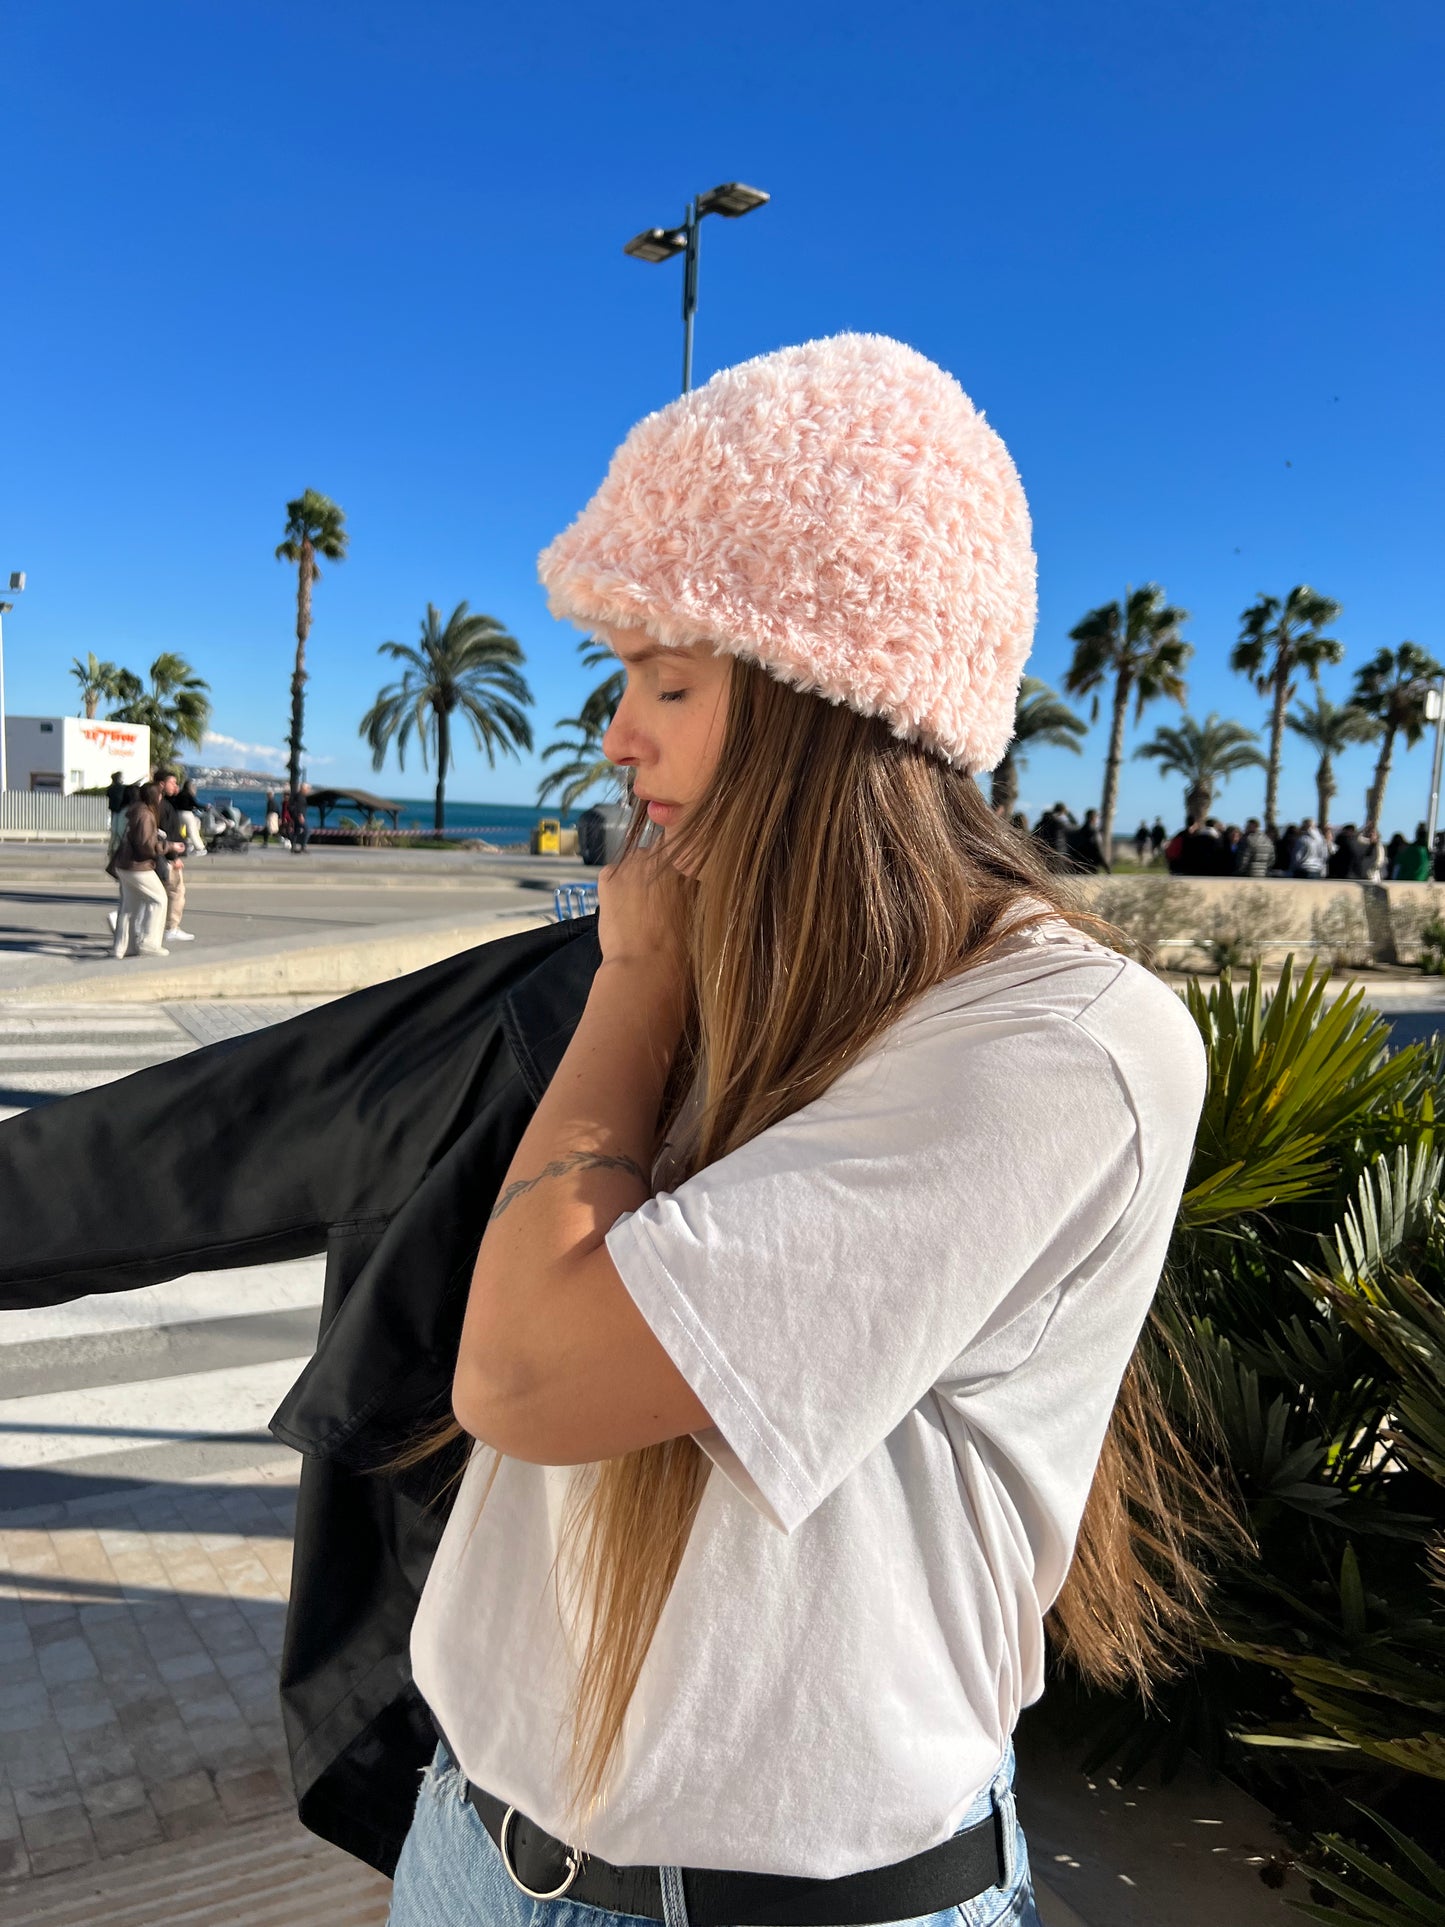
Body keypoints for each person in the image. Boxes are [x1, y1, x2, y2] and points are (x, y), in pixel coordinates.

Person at [382, 336, 1209, 1927]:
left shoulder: (1055, 1042)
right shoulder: (744, 969)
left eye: (672, 681)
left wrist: (629, 985)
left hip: (802, 1897)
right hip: (477, 1842)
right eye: (623, 678)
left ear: (837, 708)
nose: (618, 737)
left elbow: (528, 1373)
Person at [110, 782, 171, 959]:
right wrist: (169, 846)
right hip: (138, 866)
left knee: (129, 908)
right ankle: (149, 943)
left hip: (124, 864)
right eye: (160, 794)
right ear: (154, 796)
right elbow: (146, 846)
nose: (161, 798)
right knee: (159, 899)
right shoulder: (146, 814)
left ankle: (123, 948)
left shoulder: (134, 810)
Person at [153, 767, 196, 942]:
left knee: (155, 894)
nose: (176, 786)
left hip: (158, 855)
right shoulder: (163, 807)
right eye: (172, 782)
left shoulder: (156, 804)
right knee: (176, 891)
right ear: (162, 784)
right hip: (166, 856)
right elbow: (166, 833)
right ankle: (172, 927)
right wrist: (174, 857)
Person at [1064, 805, 1110, 872]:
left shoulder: (1079, 831)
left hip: (1079, 865)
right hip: (1092, 865)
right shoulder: (1094, 832)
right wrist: (1106, 866)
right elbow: (1098, 850)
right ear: (1093, 818)